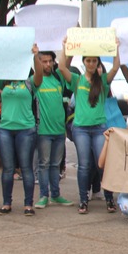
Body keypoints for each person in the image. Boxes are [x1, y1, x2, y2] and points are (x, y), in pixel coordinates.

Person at [58, 37, 121, 214]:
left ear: (97, 62)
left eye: (94, 60)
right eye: (88, 60)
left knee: (102, 165)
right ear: (84, 62)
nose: (91, 63)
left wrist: (115, 49)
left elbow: (116, 67)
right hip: (81, 129)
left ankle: (109, 198)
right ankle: (83, 200)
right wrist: (65, 48)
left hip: (99, 127)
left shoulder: (102, 81)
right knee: (84, 165)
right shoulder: (77, 80)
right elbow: (62, 67)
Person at [0, 43, 42, 216]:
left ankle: (28, 204)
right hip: (5, 129)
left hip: (26, 130)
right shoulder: (3, 82)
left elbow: (40, 74)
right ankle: (6, 203)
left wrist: (35, 56)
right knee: (7, 169)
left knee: (26, 167)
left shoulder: (29, 83)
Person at [34, 51, 74, 209]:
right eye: (44, 61)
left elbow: (67, 63)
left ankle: (56, 195)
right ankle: (44, 196)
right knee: (43, 164)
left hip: (59, 130)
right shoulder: (36, 80)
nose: (48, 64)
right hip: (43, 130)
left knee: (55, 165)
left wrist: (67, 47)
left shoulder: (58, 77)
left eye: (50, 61)